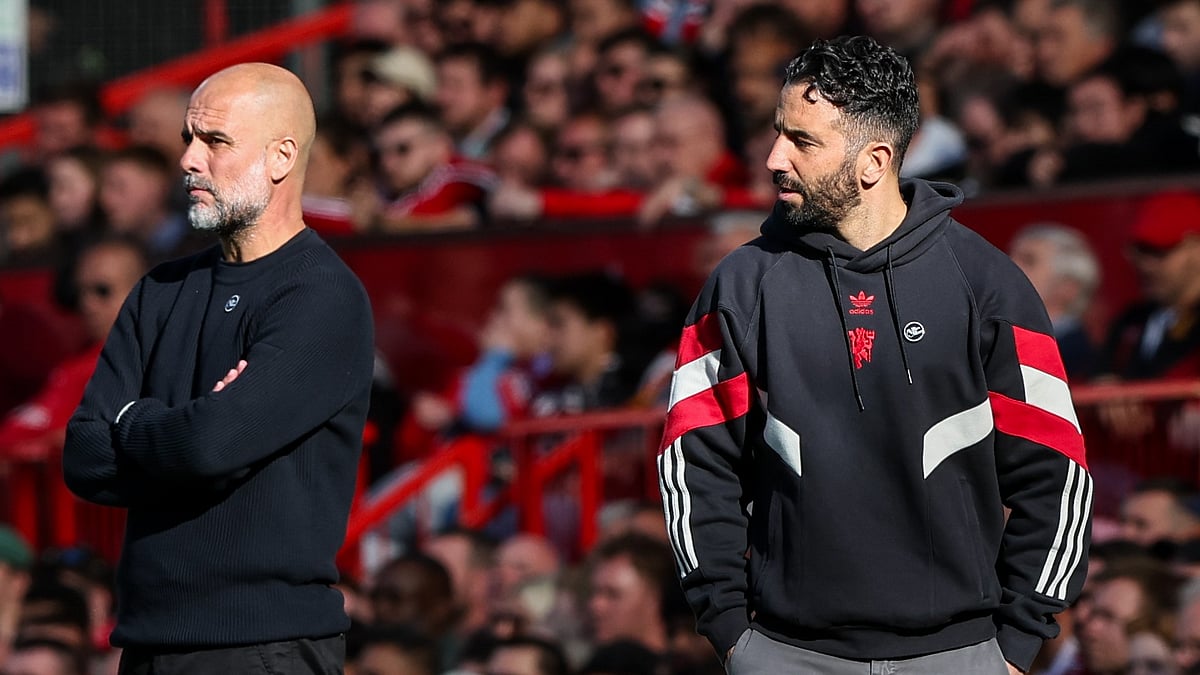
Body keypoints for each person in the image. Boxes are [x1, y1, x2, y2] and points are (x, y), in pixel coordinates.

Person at [658, 36, 1090, 675]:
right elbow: (693, 464)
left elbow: (1059, 471)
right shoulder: (740, 286)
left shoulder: (986, 284)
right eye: (779, 133)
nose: (775, 158)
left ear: (874, 160)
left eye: (803, 142)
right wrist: (730, 631)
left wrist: (1015, 646)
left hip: (962, 656)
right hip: (783, 654)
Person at [61, 62, 375, 674]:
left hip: (263, 648)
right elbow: (83, 454)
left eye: (216, 141)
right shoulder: (161, 289)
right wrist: (183, 428)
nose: (188, 159)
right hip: (148, 643)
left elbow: (210, 443)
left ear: (281, 156)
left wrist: (136, 424)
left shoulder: (321, 295)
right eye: (189, 138)